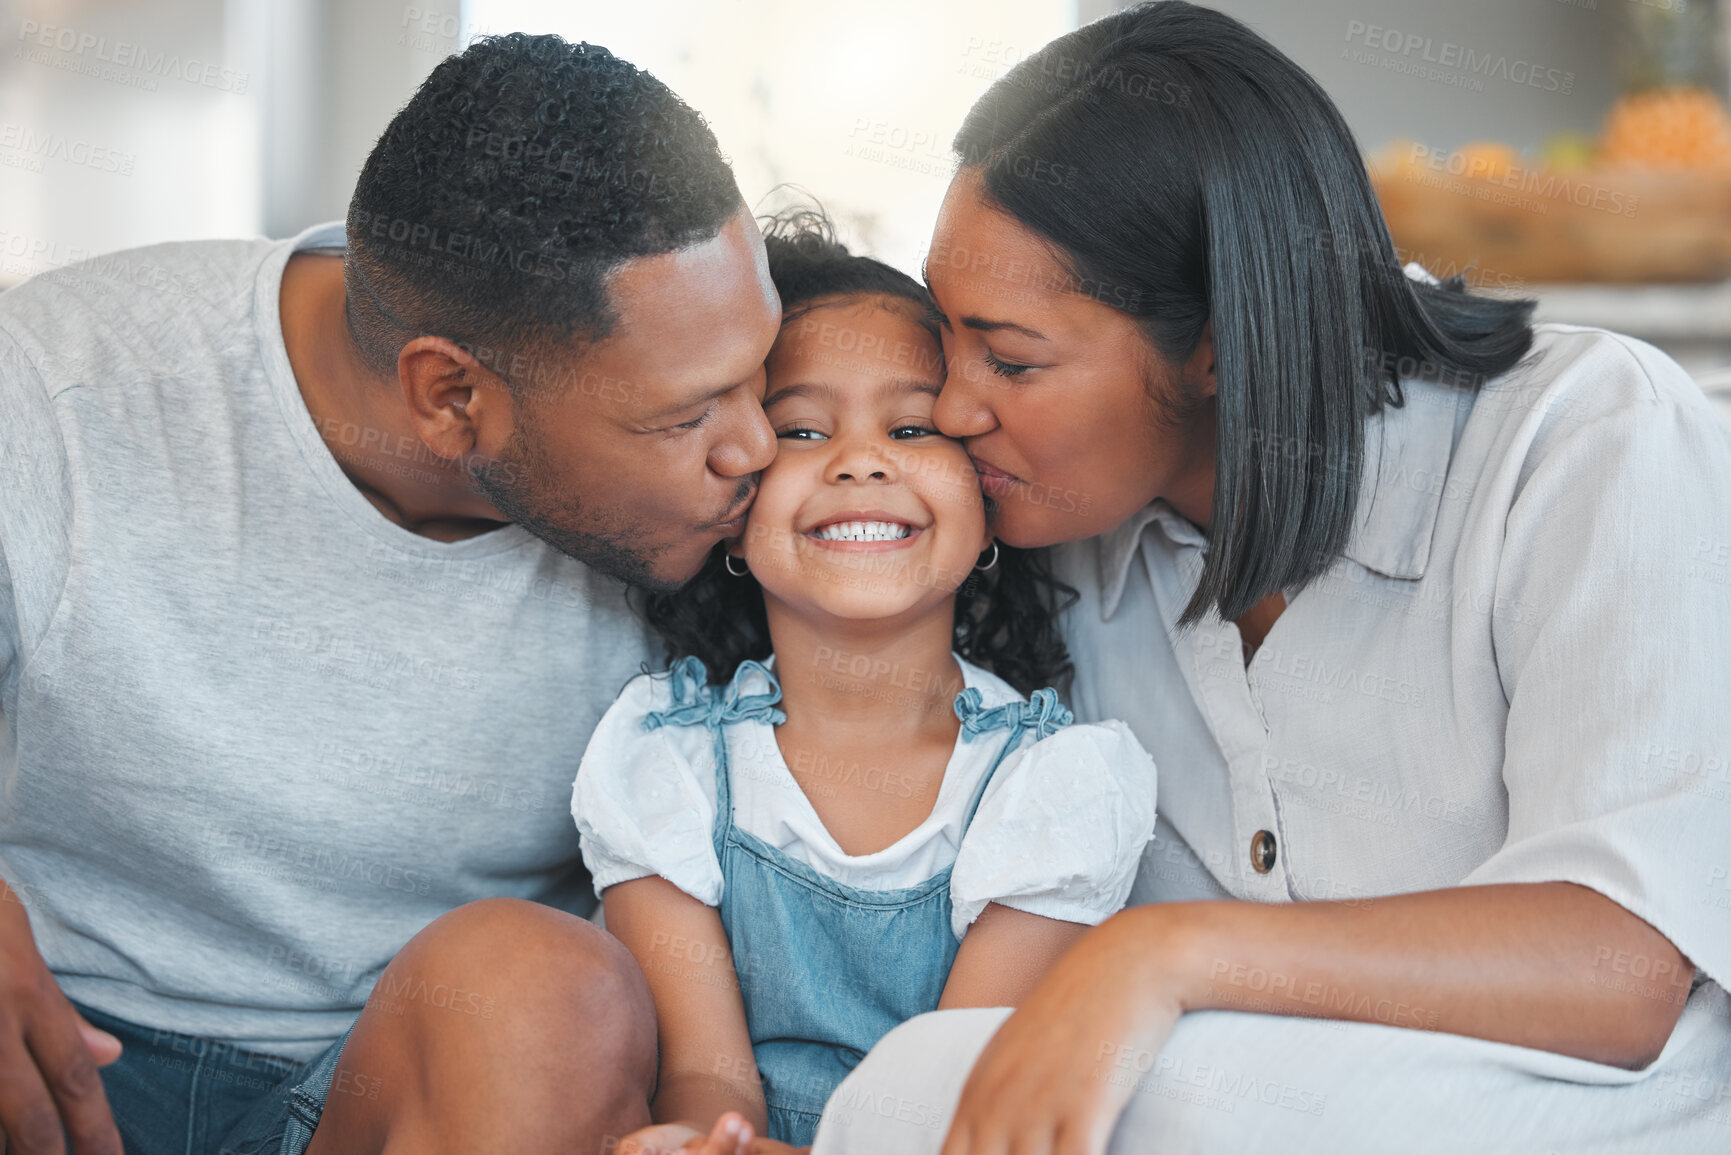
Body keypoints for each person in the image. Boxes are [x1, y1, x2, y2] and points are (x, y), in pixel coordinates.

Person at [809, 4, 1731, 1153]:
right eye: (949, 342)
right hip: (1273, 1096)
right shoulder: (1058, 521)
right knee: (930, 1084)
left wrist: (1165, 955)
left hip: (1602, 1107)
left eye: (1012, 358)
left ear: (1215, 348)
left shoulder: (1587, 435)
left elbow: (1620, 967)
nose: (953, 407)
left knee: (985, 1091)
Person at [0, 33, 781, 1155]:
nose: (756, 446)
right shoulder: (59, 383)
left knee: (541, 981)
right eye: (684, 418)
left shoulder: (753, 478)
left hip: (397, 1087)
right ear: (451, 394)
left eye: (759, 371)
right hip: (63, 1051)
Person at [575, 213, 1157, 1151]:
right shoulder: (666, 760)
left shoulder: (1049, 786)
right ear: (735, 499)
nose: (859, 459)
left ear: (985, 491)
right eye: (801, 429)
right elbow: (702, 1077)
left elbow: (953, 1092)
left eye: (912, 427)